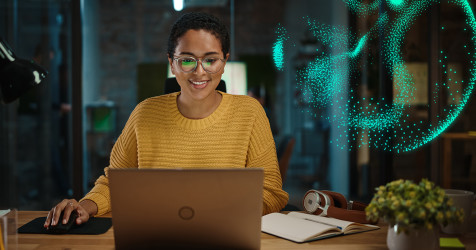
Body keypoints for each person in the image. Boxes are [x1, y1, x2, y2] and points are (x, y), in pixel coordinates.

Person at [44, 12, 289, 229]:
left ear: (224, 62)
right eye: (187, 60)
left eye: (211, 60)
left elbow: (271, 193)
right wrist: (85, 206)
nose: (199, 71)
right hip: (155, 235)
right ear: (172, 62)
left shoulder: (250, 112)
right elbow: (114, 183)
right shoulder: (144, 114)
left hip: (226, 234)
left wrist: (219, 212)